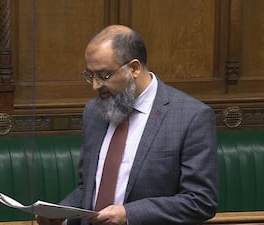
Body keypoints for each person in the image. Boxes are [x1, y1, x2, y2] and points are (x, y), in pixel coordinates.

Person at [36, 25, 218, 225]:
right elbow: (89, 187)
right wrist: (60, 214)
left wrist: (129, 215)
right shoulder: (94, 112)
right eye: (91, 75)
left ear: (134, 68)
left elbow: (200, 201)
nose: (95, 85)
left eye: (104, 75)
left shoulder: (191, 117)